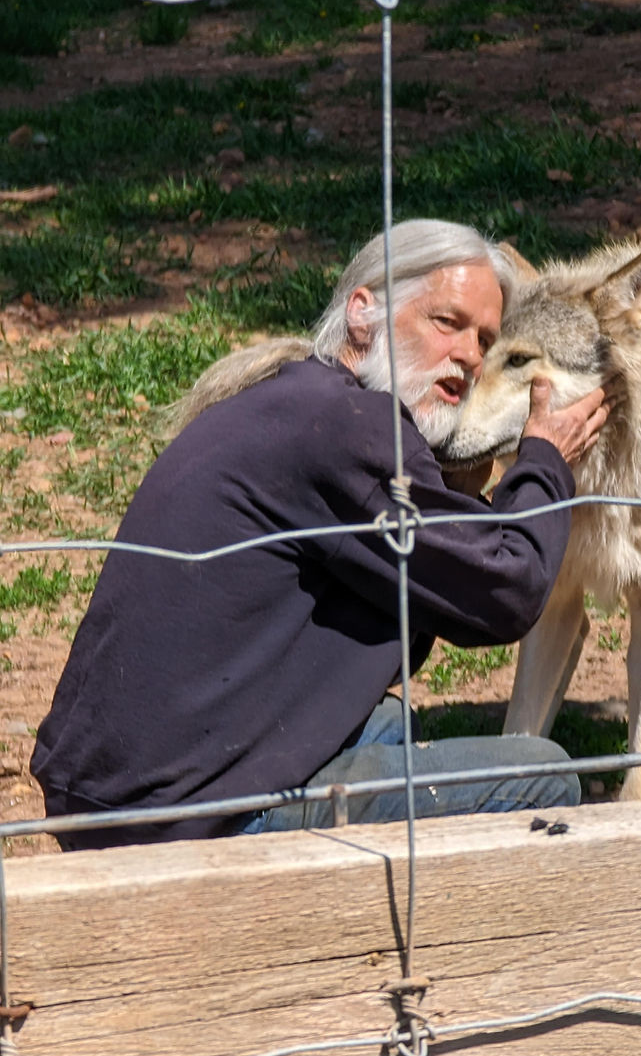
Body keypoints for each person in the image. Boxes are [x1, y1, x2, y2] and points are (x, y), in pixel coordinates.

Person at [31, 219, 609, 851]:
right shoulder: (354, 430)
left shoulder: (298, 400)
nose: (471, 355)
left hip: (115, 789)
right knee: (542, 780)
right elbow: (506, 592)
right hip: (189, 814)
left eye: (488, 340)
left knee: (382, 717)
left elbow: (410, 611)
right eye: (447, 323)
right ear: (362, 314)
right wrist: (545, 459)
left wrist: (458, 488)